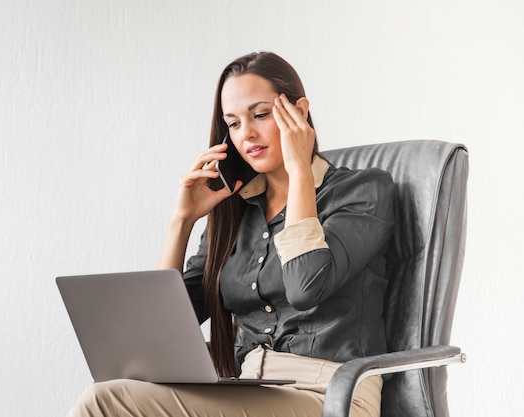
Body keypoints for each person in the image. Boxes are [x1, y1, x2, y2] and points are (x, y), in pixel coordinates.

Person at [67, 51, 395, 417]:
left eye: (260, 115)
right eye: (233, 123)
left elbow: (305, 287)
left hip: (333, 394)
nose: (247, 134)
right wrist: (183, 220)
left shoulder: (363, 191)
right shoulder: (235, 213)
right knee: (115, 390)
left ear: (300, 112)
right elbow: (164, 329)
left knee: (105, 402)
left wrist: (300, 170)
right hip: (248, 386)